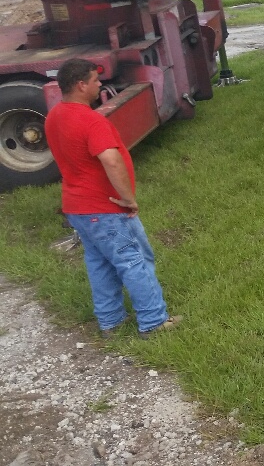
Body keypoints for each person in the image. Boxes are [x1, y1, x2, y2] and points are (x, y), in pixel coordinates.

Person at [45, 59, 177, 339]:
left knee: (99, 264)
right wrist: (127, 198)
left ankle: (111, 323)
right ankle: (153, 322)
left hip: (76, 207)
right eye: (94, 80)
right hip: (104, 207)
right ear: (81, 85)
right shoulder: (91, 120)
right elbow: (111, 159)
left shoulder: (55, 115)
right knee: (134, 260)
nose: (99, 85)